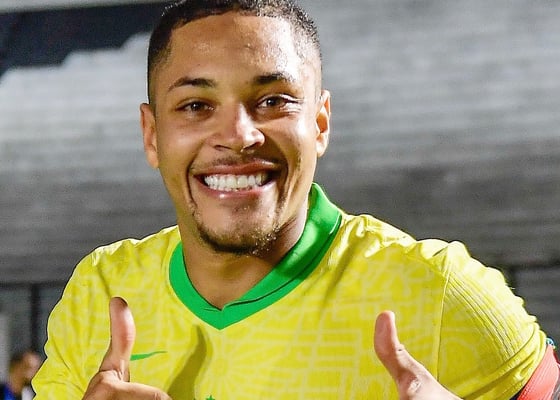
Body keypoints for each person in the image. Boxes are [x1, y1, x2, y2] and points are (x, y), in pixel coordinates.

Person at [32, 0, 559, 398]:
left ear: (320, 124)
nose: (238, 135)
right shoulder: (100, 290)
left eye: (272, 101)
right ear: (152, 135)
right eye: (195, 105)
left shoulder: (441, 291)